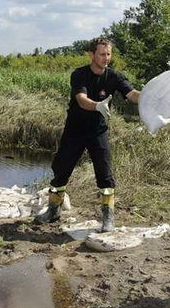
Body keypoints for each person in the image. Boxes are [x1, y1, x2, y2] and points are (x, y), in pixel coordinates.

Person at [35, 37, 141, 232]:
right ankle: (53, 211)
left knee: (105, 174)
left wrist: (151, 97)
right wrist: (97, 106)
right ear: (91, 55)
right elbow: (82, 100)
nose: (106, 58)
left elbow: (132, 94)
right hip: (75, 130)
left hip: (98, 131)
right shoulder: (79, 75)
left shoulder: (115, 77)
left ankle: (108, 217)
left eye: (108, 54)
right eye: (102, 54)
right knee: (61, 169)